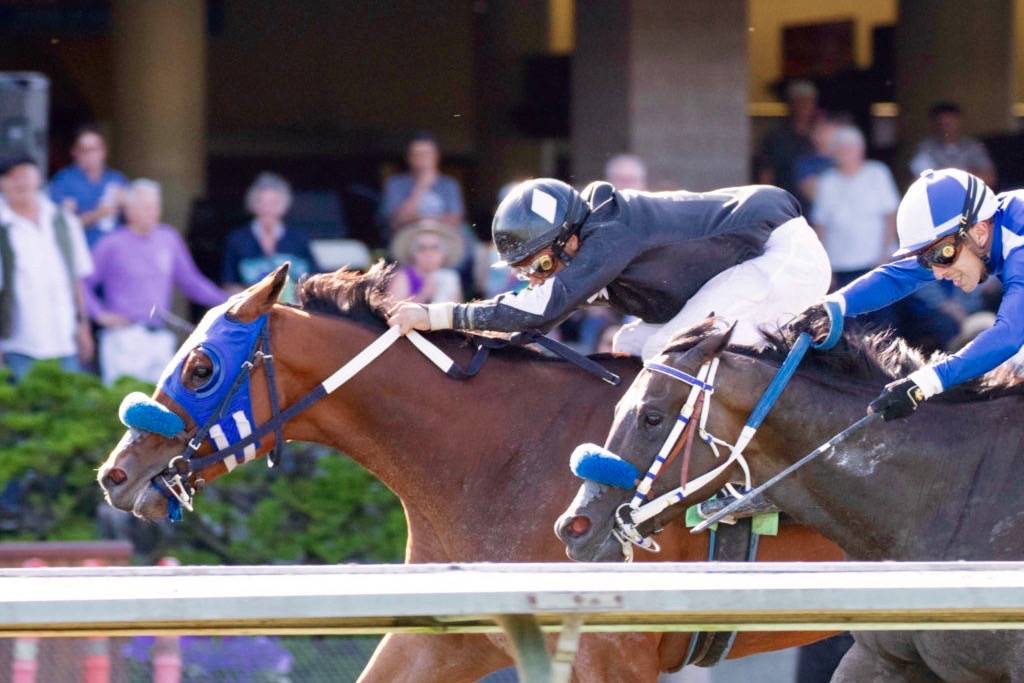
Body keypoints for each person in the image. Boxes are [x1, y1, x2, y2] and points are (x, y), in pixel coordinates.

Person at [387, 178, 832, 362]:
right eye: (527, 270)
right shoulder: (593, 235)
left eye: (541, 262)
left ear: (571, 239)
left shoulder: (611, 234)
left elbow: (537, 311)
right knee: (630, 341)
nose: (539, 276)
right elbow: (534, 322)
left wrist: (435, 316)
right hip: (744, 259)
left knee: (669, 349)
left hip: (779, 255)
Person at [793, 168, 1022, 420]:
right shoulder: (982, 229)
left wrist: (927, 382)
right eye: (925, 258)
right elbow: (900, 276)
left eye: (940, 255)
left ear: (979, 232)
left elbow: (1009, 334)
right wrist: (835, 305)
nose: (936, 273)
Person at [84, 179, 227, 385]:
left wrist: (228, 300)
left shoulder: (168, 238)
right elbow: (82, 281)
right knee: (121, 402)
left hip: (160, 336)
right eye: (147, 207)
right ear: (130, 210)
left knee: (160, 405)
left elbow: (191, 281)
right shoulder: (111, 243)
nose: (153, 212)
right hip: (124, 336)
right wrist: (99, 314)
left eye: (156, 206)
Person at [0, 156, 94, 380]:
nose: (20, 182)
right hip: (18, 344)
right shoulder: (3, 226)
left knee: (71, 409)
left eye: (25, 174)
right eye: (11, 177)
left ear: (39, 178)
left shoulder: (63, 220)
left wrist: (83, 327)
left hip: (64, 339)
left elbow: (76, 280)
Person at [811, 125, 900, 288]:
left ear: (861, 150)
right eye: (840, 149)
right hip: (840, 264)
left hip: (876, 262)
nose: (845, 153)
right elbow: (820, 225)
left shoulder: (878, 173)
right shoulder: (827, 181)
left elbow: (891, 216)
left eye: (850, 148)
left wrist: (885, 255)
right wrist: (824, 268)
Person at [222, 172, 319, 301]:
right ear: (253, 205)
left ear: (284, 206)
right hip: (251, 311)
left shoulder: (299, 238)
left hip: (294, 312)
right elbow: (228, 284)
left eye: (274, 203)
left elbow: (314, 280)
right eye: (262, 202)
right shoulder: (237, 239)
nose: (267, 208)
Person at [48, 125, 128, 249]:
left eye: (95, 149)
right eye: (84, 150)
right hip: (82, 252)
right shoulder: (64, 181)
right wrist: (98, 214)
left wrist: (127, 205)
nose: (90, 155)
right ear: (74, 152)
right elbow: (60, 228)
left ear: (104, 151)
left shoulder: (116, 179)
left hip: (114, 252)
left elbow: (134, 222)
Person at [380, 132, 465, 237]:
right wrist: (421, 186)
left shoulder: (449, 184)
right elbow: (397, 221)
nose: (422, 159)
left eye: (427, 154)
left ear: (436, 156)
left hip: (443, 242)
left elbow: (454, 220)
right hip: (407, 242)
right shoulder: (395, 184)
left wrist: (419, 220)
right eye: (417, 154)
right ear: (409, 158)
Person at [910, 103, 996, 188]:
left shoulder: (973, 146)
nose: (946, 128)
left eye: (951, 123)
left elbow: (989, 178)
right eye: (942, 124)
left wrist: (942, 175)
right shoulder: (925, 147)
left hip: (970, 198)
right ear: (934, 125)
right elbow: (921, 181)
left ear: (959, 122)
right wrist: (968, 173)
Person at [756, 80, 818, 197]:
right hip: (785, 202)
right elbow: (766, 173)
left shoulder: (820, 135)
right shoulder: (775, 137)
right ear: (791, 105)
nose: (804, 107)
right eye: (799, 102)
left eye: (808, 102)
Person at [387, 219, 464, 304]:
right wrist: (425, 293)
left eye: (434, 248)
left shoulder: (450, 277)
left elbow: (457, 311)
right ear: (413, 253)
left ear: (444, 254)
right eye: (422, 248)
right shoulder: (403, 276)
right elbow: (392, 312)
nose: (428, 253)